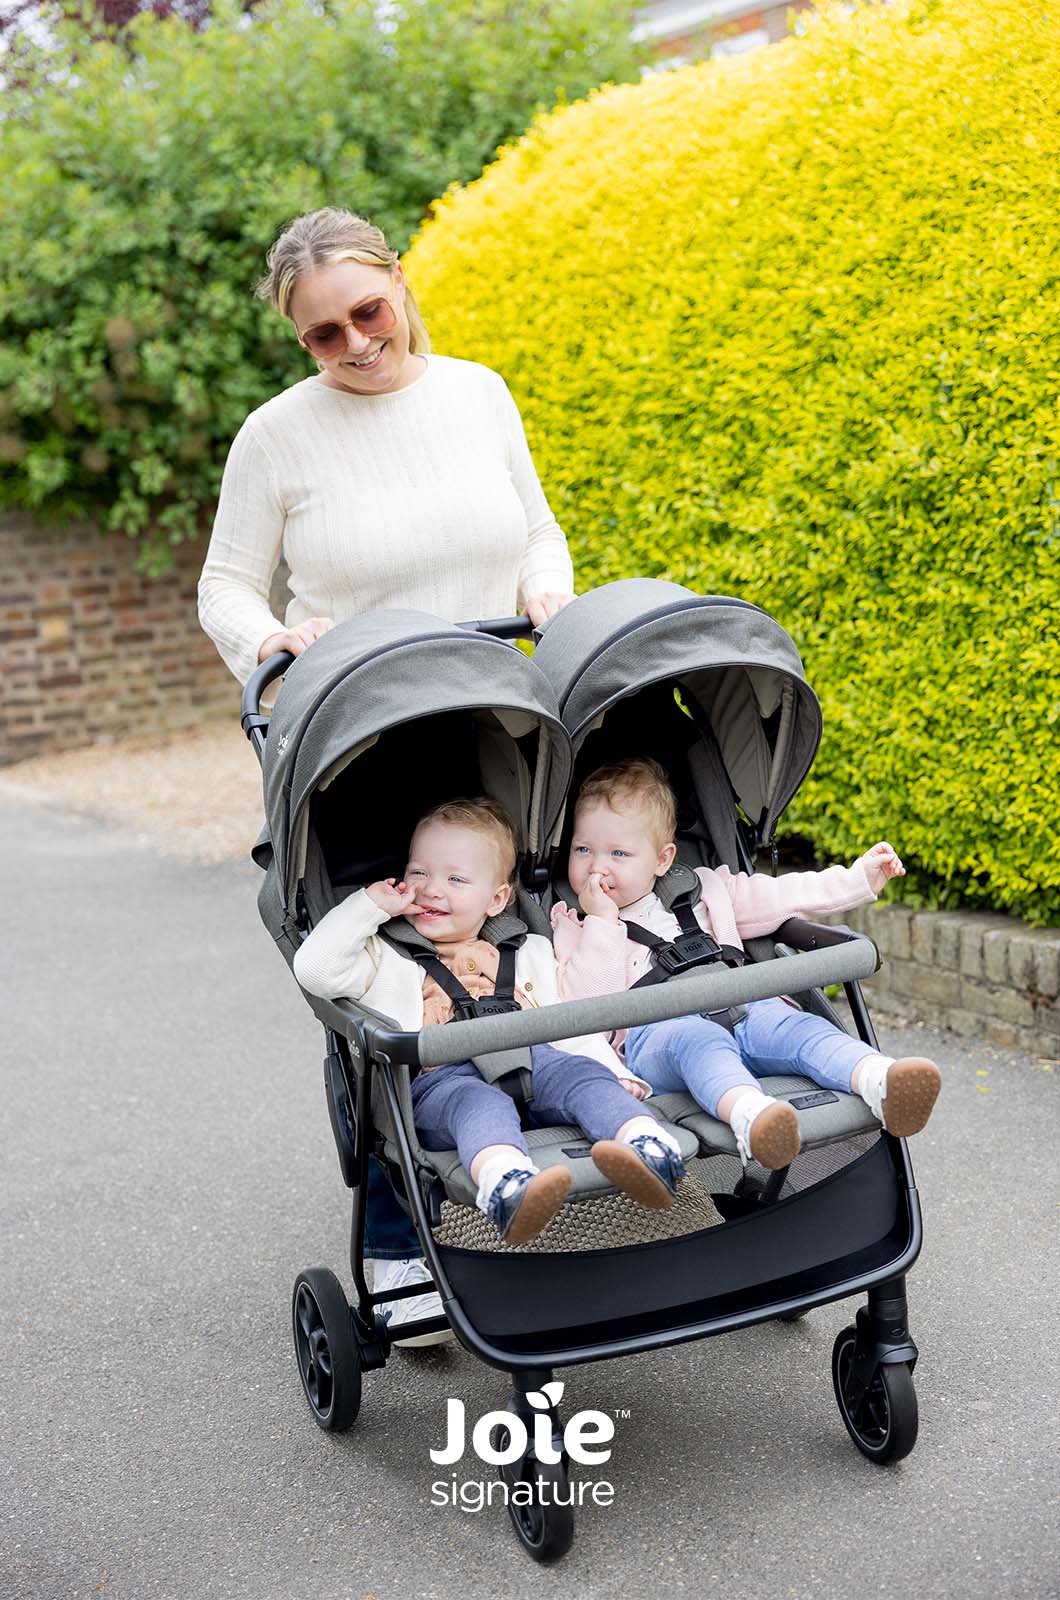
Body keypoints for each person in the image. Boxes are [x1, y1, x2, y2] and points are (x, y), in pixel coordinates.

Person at [197, 206, 576, 1338]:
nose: (356, 342)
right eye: (323, 334)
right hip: (360, 744)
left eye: (367, 311)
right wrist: (271, 641)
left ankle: (561, 1154)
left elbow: (537, 533)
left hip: (498, 726)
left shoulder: (477, 391)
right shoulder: (277, 435)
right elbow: (225, 584)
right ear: (298, 340)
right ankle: (397, 1234)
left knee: (526, 960)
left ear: (400, 283)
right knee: (394, 995)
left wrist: (546, 591)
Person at [292, 800, 688, 1258]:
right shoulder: (381, 957)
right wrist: (369, 907)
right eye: (419, 873)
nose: (431, 891)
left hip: (537, 1063)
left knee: (586, 1077)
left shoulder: (530, 950)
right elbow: (314, 970)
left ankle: (648, 1146)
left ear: (497, 899)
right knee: (478, 1104)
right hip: (444, 1082)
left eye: (456, 879)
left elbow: (569, 1025)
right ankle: (507, 1185)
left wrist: (612, 1071)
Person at [552, 759, 942, 1169]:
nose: (597, 867)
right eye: (583, 850)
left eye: (618, 853)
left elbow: (785, 895)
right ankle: (752, 1116)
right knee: (699, 1042)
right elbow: (589, 1007)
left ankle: (880, 1081)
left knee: (800, 1027)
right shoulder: (574, 925)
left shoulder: (707, 889)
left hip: (745, 1009)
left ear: (663, 859)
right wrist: (602, 921)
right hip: (658, 1040)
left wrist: (858, 879)